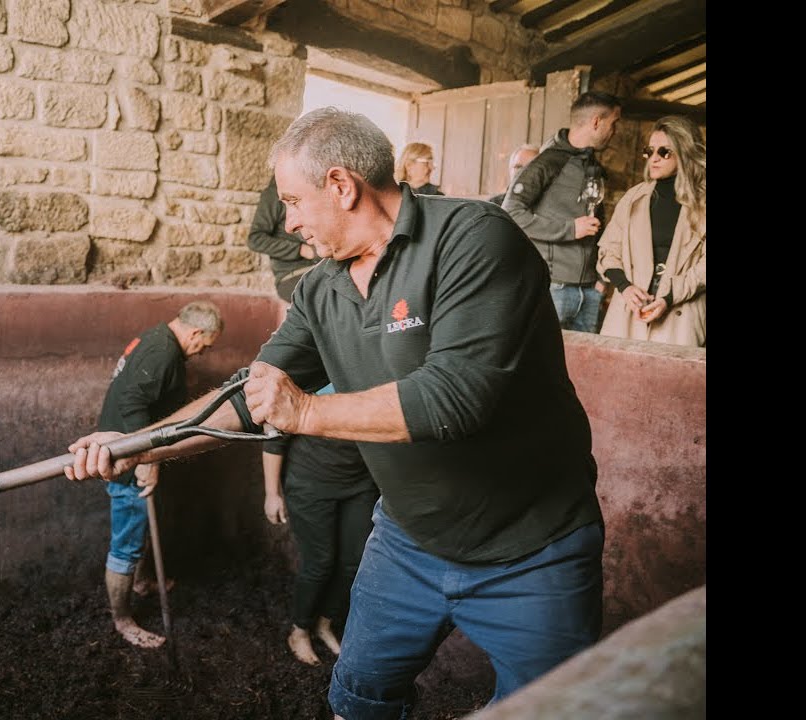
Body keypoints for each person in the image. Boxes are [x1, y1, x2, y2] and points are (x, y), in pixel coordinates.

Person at [65, 107, 604, 720]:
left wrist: (303, 412)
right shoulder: (321, 288)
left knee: (556, 708)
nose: (291, 225)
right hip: (407, 542)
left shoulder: (474, 237)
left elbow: (457, 397)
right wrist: (139, 446)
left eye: (293, 202)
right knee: (359, 696)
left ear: (342, 186)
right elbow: (249, 394)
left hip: (534, 548)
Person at [97, 300, 224, 649]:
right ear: (196, 332)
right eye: (205, 345)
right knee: (126, 542)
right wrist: (146, 460)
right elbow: (133, 404)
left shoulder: (157, 338)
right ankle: (122, 620)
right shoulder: (162, 353)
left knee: (140, 526)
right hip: (126, 461)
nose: (202, 352)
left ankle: (141, 582)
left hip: (130, 452)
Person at [261, 384, 378, 667]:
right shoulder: (313, 369)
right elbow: (275, 437)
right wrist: (272, 494)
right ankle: (299, 629)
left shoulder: (375, 368)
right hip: (310, 481)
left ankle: (324, 623)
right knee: (320, 561)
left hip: (360, 482)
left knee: (355, 561)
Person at [503, 91, 622, 333]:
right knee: (541, 365)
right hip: (554, 288)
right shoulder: (548, 162)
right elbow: (511, 212)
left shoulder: (593, 165)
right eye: (614, 123)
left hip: (589, 290)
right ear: (596, 122)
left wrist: (600, 280)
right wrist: (570, 229)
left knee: (585, 369)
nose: (615, 131)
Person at [596, 115, 706, 346]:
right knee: (618, 378)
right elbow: (608, 251)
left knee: (672, 380)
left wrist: (669, 297)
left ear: (684, 153)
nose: (653, 159)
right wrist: (625, 288)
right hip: (628, 313)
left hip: (680, 314)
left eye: (664, 152)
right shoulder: (633, 198)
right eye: (649, 151)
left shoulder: (702, 204)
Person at [248, 176, 319, 304]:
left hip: (320, 269)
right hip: (293, 274)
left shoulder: (309, 188)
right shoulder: (274, 193)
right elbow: (255, 239)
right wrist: (300, 250)